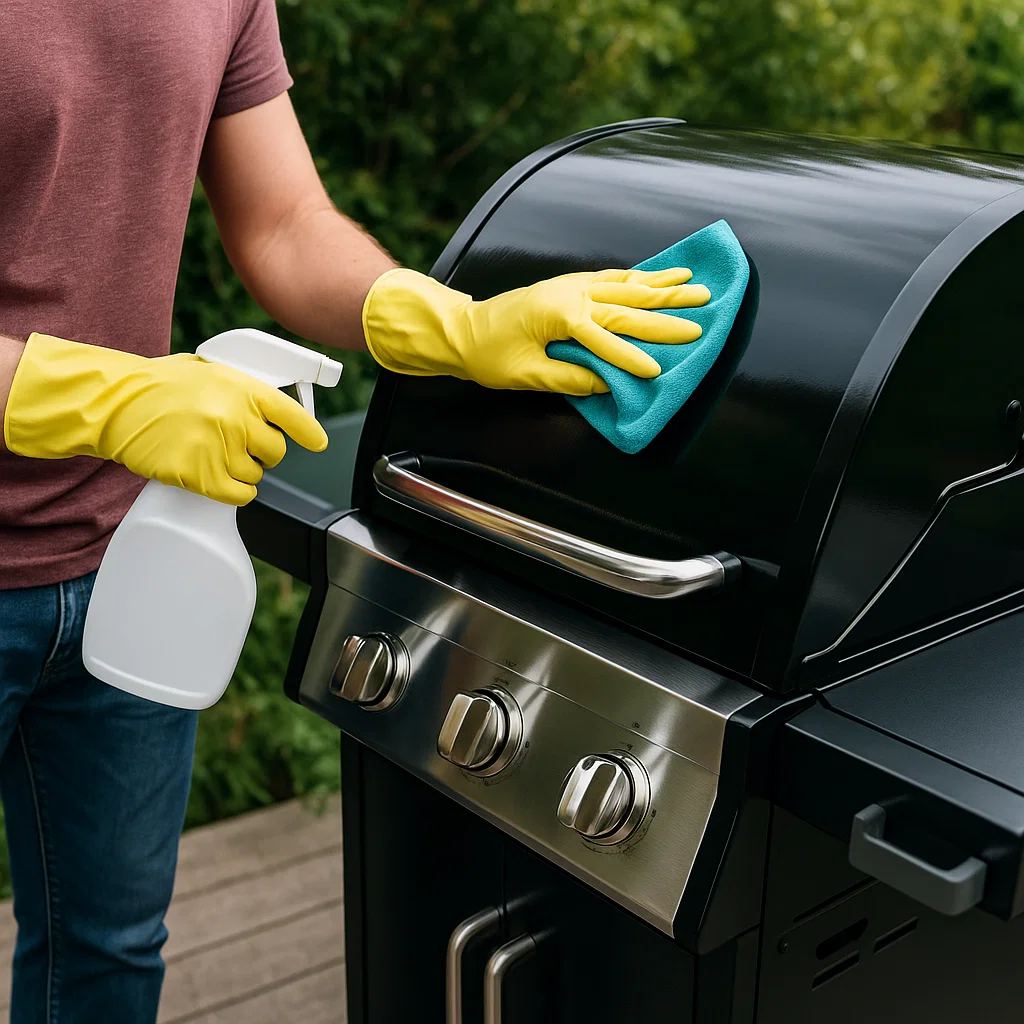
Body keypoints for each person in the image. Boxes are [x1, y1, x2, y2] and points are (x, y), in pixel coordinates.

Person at [0, 1, 711, 1020]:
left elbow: (283, 223)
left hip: (128, 553)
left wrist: (440, 321)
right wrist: (93, 397)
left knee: (110, 950)